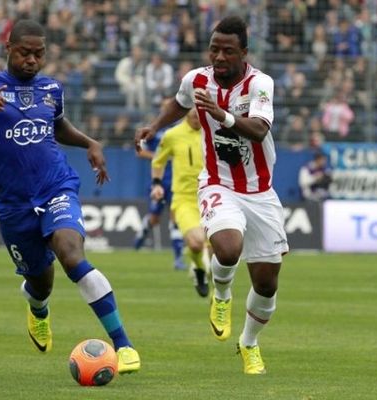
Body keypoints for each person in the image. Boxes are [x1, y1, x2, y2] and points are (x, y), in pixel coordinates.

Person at [0, 19, 140, 374]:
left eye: (39, 54)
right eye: (24, 53)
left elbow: (58, 125)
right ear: (8, 48)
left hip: (56, 186)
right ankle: (38, 309)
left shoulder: (51, 88)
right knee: (40, 281)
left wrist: (90, 142)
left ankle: (124, 345)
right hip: (13, 204)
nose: (32, 60)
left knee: (70, 253)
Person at [135, 15, 289, 375]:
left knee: (266, 285)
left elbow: (259, 128)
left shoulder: (259, 84)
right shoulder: (197, 79)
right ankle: (221, 295)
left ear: (244, 53)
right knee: (228, 247)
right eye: (214, 49)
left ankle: (249, 343)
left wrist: (222, 115)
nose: (219, 57)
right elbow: (179, 101)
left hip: (260, 192)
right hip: (218, 183)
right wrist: (154, 126)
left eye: (228, 51)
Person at [151, 108, 210, 296]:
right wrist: (157, 184)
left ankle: (202, 268)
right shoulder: (172, 135)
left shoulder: (213, 131)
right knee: (195, 243)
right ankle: (199, 270)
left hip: (212, 197)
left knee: (218, 255)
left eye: (198, 112)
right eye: (191, 111)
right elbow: (158, 161)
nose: (195, 115)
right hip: (184, 198)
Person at [134, 98, 186, 271]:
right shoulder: (155, 130)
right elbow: (140, 152)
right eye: (164, 107)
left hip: (179, 179)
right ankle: (143, 231)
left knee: (176, 217)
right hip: (160, 179)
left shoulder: (182, 129)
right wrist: (159, 156)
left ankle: (178, 258)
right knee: (155, 218)